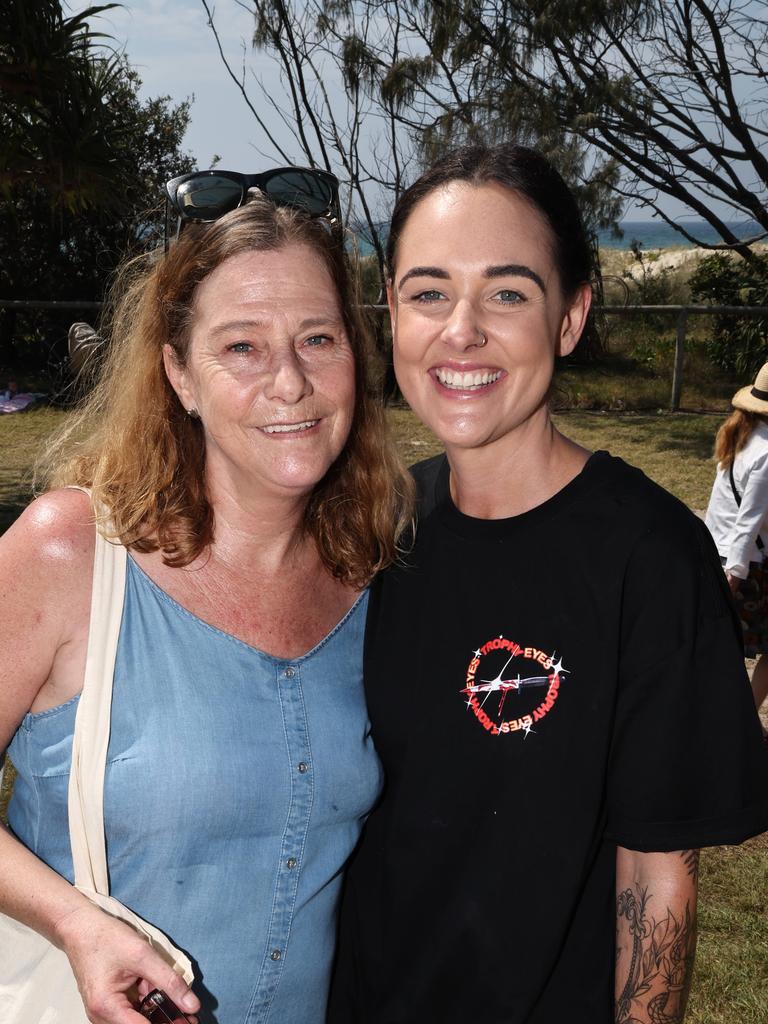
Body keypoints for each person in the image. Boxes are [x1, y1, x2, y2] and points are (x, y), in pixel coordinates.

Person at [329, 144, 768, 1024]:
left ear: (569, 318)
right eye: (428, 292)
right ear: (391, 314)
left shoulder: (649, 557)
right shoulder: (377, 528)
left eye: (508, 292)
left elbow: (656, 876)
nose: (462, 330)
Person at [0, 184, 412, 1024]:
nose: (290, 381)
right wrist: (77, 925)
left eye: (318, 339)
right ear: (179, 373)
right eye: (243, 347)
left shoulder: (374, 575)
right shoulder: (70, 552)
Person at [705, 365, 768, 736]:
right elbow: (749, 518)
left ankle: (734, 720)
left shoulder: (740, 437)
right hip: (747, 566)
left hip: (723, 554)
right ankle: (739, 722)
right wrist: (737, 573)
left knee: (726, 648)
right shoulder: (765, 452)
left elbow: (719, 509)